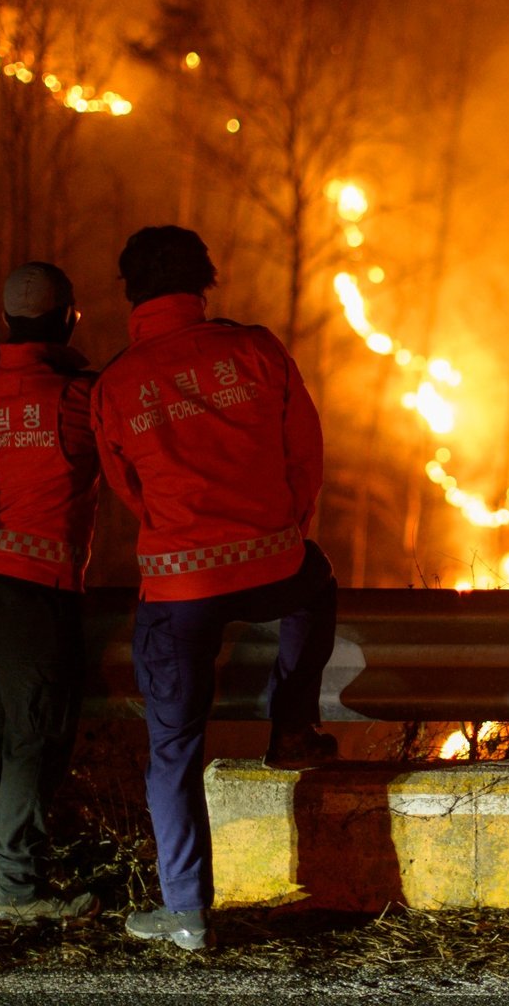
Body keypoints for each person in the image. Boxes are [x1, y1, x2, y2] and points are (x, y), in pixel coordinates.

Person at [91, 225, 338, 953]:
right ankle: (291, 725)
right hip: (272, 563)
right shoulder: (254, 348)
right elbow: (306, 450)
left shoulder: (114, 384)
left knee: (173, 748)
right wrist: (283, 528)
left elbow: (125, 489)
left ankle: (187, 912)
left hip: (179, 585)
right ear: (205, 283)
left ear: (131, 294)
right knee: (314, 584)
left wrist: (183, 537)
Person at [0, 262, 101, 924]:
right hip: (39, 588)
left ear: (6, 322)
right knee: (35, 735)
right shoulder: (77, 400)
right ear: (69, 317)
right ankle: (17, 888)